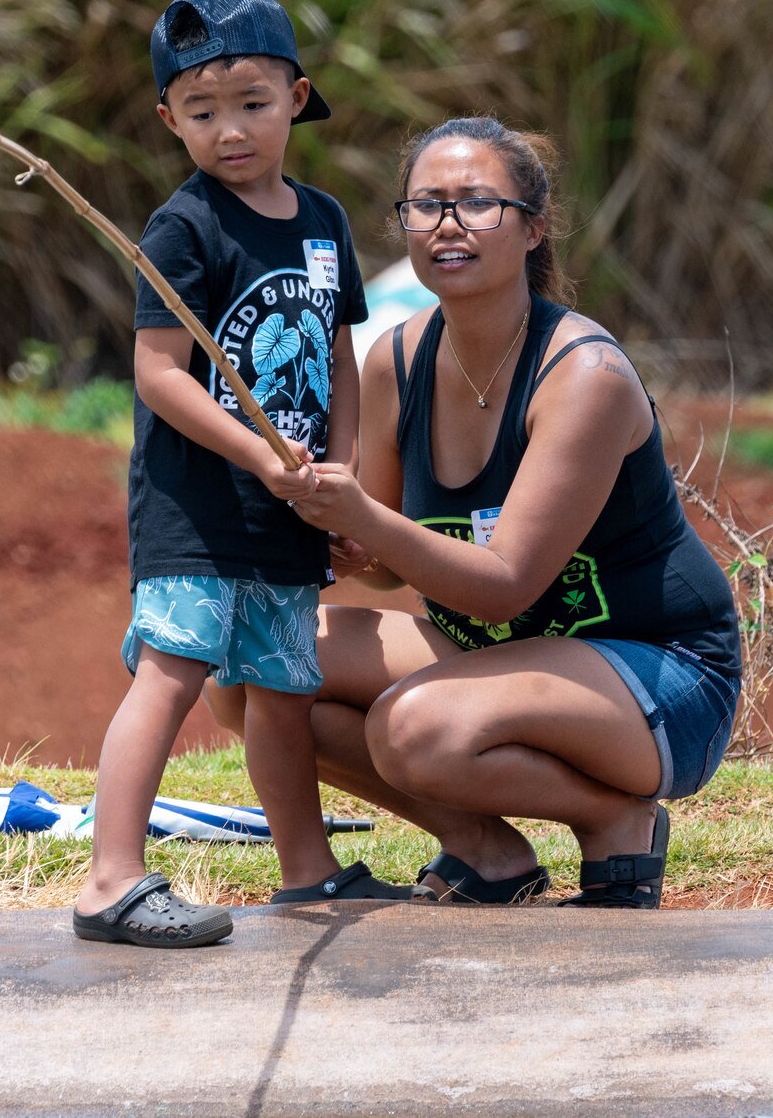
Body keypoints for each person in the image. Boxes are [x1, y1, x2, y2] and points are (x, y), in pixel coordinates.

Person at [212, 116, 742, 908]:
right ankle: (485, 850)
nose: (448, 225)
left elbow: (504, 587)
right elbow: (393, 560)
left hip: (656, 673)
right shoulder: (396, 359)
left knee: (413, 728)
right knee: (248, 669)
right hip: (503, 655)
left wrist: (368, 515)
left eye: (477, 203)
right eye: (426, 205)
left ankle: (616, 818)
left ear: (533, 226)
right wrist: (345, 536)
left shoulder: (584, 375)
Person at [72, 0, 412, 949]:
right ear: (167, 118)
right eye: (202, 111)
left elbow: (340, 356)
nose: (231, 130)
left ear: (298, 98)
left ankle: (306, 871)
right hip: (201, 507)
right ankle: (111, 879)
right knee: (172, 676)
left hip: (292, 508)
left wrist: (338, 472)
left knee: (284, 686)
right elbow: (156, 375)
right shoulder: (183, 228)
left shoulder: (324, 223)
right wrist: (261, 453)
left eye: (253, 104)